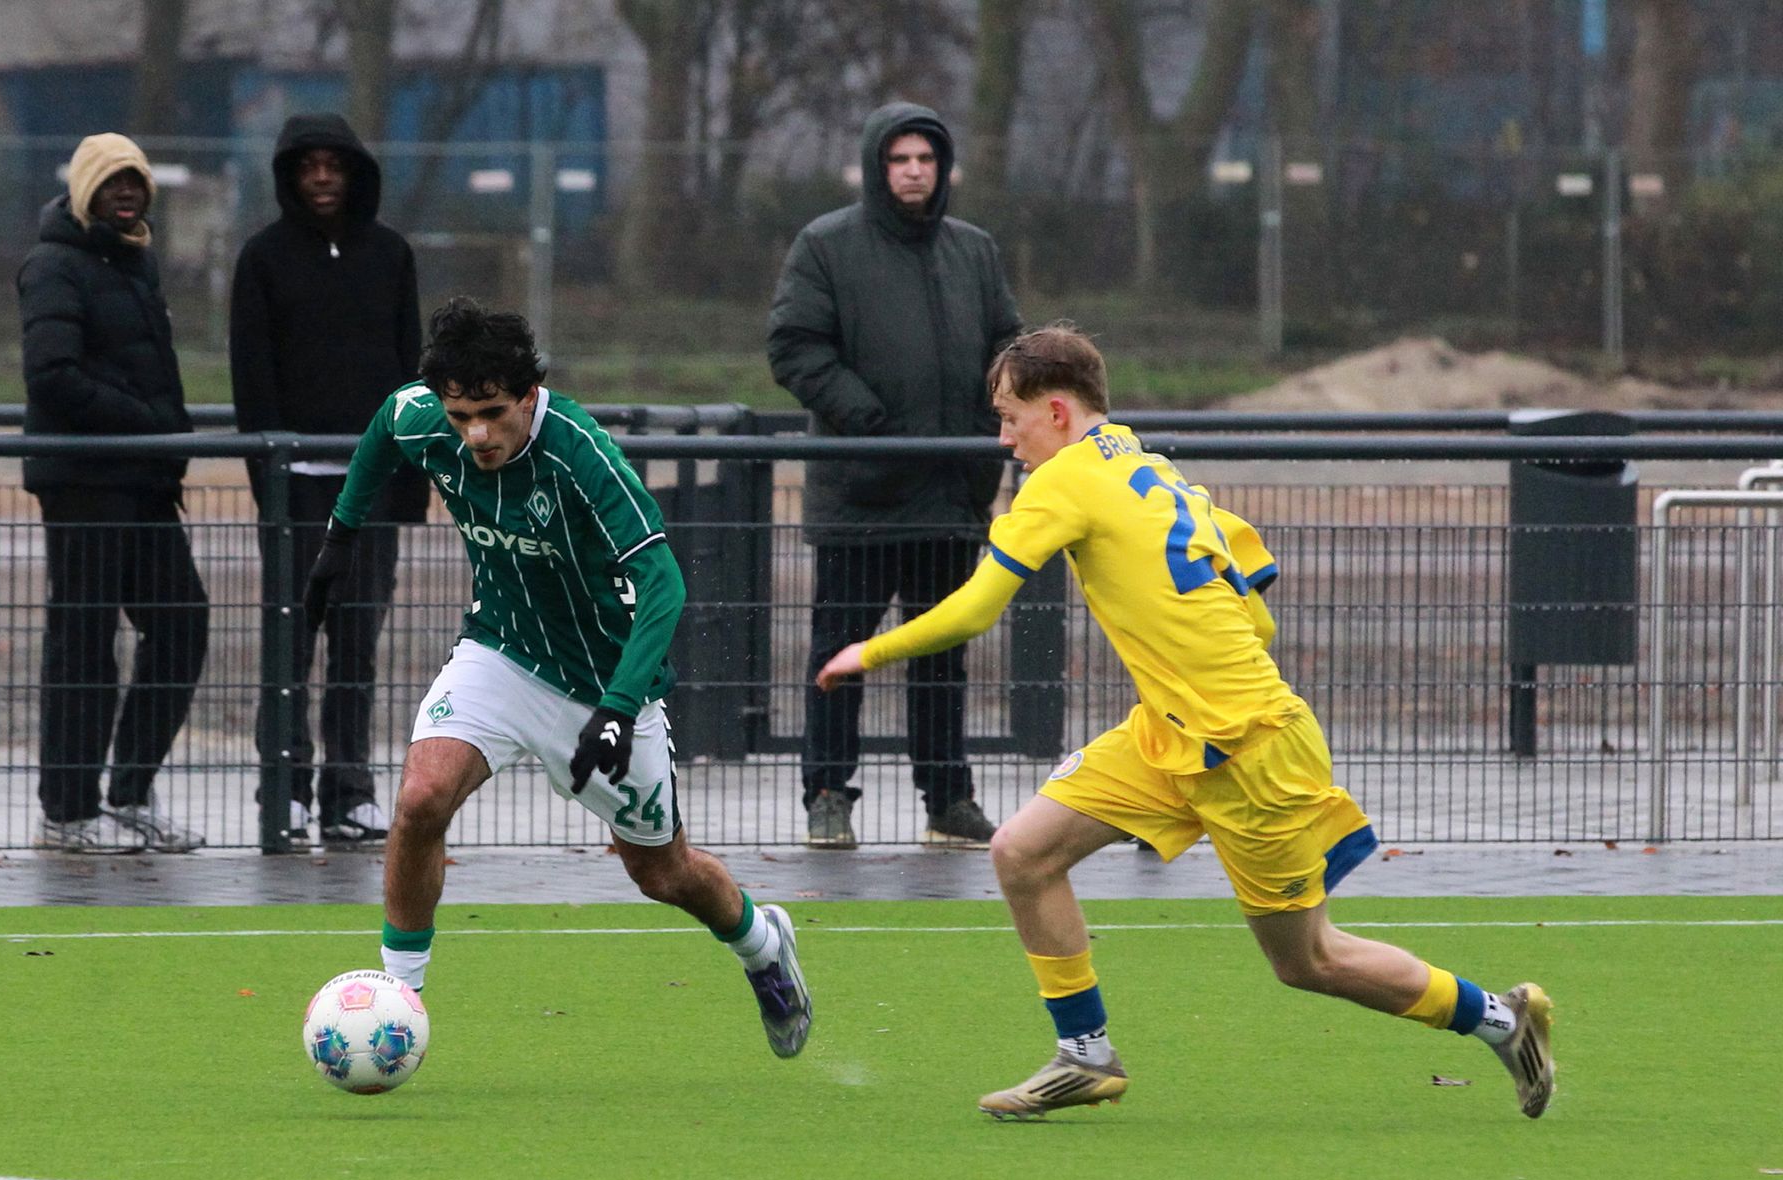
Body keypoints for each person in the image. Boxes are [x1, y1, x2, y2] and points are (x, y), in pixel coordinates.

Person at [817, 324, 1555, 1119]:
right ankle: (1085, 1056)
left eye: (1010, 417)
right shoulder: (1146, 462)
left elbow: (975, 607)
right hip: (1171, 734)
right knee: (1022, 852)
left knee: (1309, 960)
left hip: (1247, 749)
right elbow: (1254, 609)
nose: (1005, 439)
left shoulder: (1062, 482)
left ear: (1058, 412)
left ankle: (1503, 1018)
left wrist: (871, 649)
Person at [303, 298, 811, 1057]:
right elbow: (383, 425)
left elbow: (664, 582)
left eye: (493, 413)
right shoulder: (425, 417)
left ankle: (762, 944)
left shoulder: (580, 453)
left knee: (662, 870)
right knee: (418, 800)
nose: (475, 432)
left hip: (605, 686)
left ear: (529, 396)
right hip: (501, 653)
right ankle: (397, 999)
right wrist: (342, 535)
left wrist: (615, 707)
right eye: (461, 413)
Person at [767, 101, 1022, 851]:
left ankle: (948, 798)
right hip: (862, 494)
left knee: (944, 654)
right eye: (900, 159)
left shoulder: (974, 250)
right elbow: (795, 346)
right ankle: (826, 795)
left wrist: (986, 432)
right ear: (879, 167)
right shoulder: (827, 245)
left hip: (952, 492)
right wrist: (869, 422)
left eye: (926, 159)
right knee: (839, 652)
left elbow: (1011, 345)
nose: (914, 171)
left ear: (942, 168)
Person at [231, 112, 427, 846]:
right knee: (290, 640)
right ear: (289, 175)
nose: (321, 177)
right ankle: (282, 790)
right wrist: (269, 485)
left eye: (333, 165)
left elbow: (412, 372)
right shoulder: (261, 259)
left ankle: (349, 793)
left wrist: (408, 483)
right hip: (297, 489)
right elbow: (252, 378)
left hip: (370, 488)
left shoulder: (391, 256)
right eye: (307, 165)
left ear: (353, 173)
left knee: (357, 643)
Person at [18, 132, 207, 855]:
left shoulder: (135, 264)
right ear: (84, 191)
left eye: (136, 182)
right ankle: (68, 807)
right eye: (111, 183)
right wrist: (148, 423)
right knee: (84, 643)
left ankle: (129, 792)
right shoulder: (53, 265)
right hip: (86, 482)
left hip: (145, 481)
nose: (125, 193)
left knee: (182, 620)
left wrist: (162, 438)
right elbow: (53, 373)